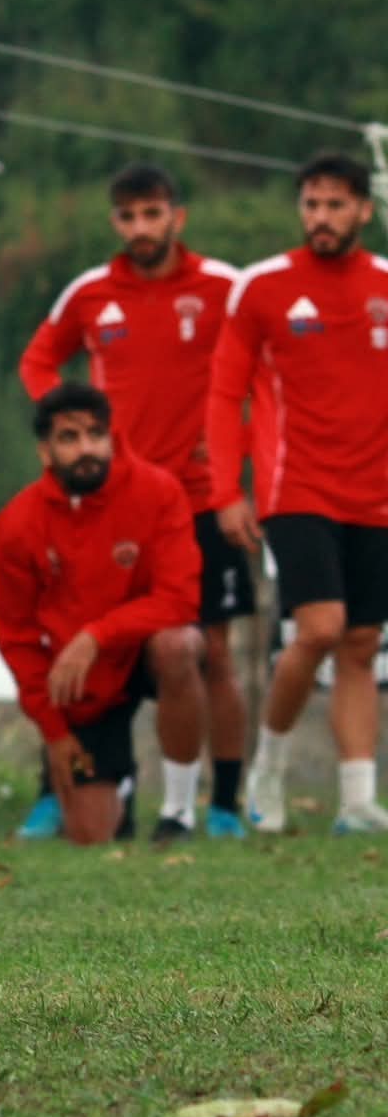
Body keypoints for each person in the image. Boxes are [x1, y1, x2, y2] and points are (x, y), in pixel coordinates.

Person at [19, 162, 254, 840]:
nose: (141, 228)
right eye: (128, 217)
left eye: (153, 214)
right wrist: (71, 436)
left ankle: (222, 805)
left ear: (177, 217)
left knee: (210, 649)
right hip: (112, 503)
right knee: (73, 638)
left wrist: (235, 450)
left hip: (204, 499)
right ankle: (52, 791)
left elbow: (267, 375)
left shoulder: (227, 289)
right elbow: (39, 363)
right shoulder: (91, 293)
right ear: (115, 223)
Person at [208, 151, 388, 835]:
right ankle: (268, 773)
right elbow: (226, 393)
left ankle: (357, 799)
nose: (322, 217)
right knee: (320, 629)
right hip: (296, 489)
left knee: (363, 641)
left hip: (376, 493)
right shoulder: (263, 287)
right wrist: (228, 490)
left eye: (336, 205)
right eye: (312, 204)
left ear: (364, 211)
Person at [0, 383, 206, 845]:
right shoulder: (19, 523)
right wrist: (54, 732)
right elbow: (15, 636)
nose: (87, 448)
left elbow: (181, 599)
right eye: (69, 438)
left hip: (140, 652)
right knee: (90, 835)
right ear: (45, 451)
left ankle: (178, 812)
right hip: (85, 686)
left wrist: (95, 636)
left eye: (96, 433)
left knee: (180, 645)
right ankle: (113, 787)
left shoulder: (158, 491)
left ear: (111, 436)